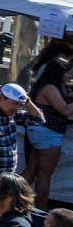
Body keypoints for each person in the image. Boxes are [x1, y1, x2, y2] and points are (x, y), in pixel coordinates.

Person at [25, 39, 71, 206]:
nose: (69, 75)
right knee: (44, 174)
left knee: (31, 170)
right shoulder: (50, 88)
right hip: (48, 133)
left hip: (41, 132)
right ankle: (41, 210)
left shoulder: (45, 85)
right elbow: (64, 109)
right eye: (67, 72)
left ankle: (11, 200)